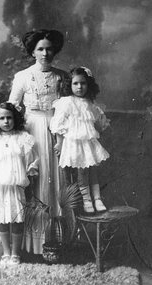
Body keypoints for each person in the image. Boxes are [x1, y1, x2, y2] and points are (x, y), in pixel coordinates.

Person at [8, 29, 70, 254]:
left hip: (56, 130)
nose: (45, 53)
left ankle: (55, 240)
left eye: (49, 48)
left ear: (55, 50)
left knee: (55, 182)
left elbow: (69, 107)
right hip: (31, 131)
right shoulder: (23, 77)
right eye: (40, 49)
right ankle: (28, 244)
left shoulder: (62, 76)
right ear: (32, 52)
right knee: (34, 179)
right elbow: (12, 107)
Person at [0, 102, 39, 265]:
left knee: (17, 220)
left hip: (16, 187)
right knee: (2, 220)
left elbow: (30, 163)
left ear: (15, 119)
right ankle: (6, 252)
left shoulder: (23, 138)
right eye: (2, 118)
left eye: (9, 118)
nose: (6, 121)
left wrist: (28, 186)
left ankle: (16, 253)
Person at [50, 67, 110, 214]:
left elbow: (96, 121)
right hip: (74, 143)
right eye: (75, 83)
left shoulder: (89, 103)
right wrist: (59, 142)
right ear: (69, 85)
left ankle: (97, 198)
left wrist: (99, 125)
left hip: (88, 143)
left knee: (93, 170)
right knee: (82, 171)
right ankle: (87, 200)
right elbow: (58, 124)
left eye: (83, 83)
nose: (79, 87)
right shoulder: (66, 102)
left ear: (88, 85)